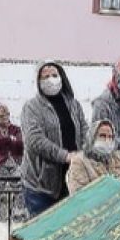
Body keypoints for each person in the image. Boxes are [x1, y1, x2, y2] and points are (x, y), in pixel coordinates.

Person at [21, 61, 87, 217]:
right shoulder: (32, 107)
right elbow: (35, 140)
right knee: (40, 234)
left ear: (62, 78)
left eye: (54, 75)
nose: (51, 79)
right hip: (41, 186)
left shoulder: (73, 105)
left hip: (71, 181)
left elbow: (84, 130)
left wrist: (85, 152)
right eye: (45, 76)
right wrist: (66, 156)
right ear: (38, 82)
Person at [66, 119, 120, 194]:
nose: (107, 140)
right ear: (92, 137)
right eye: (102, 136)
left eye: (110, 137)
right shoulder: (80, 161)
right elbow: (80, 196)